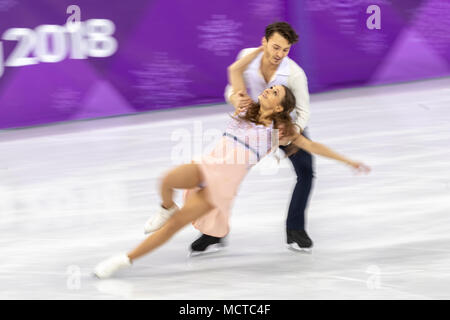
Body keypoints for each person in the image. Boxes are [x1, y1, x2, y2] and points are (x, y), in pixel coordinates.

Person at [94, 47, 369, 279]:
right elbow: (235, 72)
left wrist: (348, 161)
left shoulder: (279, 133)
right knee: (166, 181)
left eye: (274, 93)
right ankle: (166, 207)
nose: (268, 91)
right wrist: (262, 50)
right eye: (271, 88)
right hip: (205, 165)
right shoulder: (244, 105)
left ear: (279, 109)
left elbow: (313, 146)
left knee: (176, 225)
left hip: (219, 188)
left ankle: (123, 259)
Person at [188, 22, 317, 254]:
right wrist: (235, 99)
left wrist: (290, 133)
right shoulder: (247, 58)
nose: (279, 54)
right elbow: (231, 88)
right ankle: (213, 232)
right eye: (276, 47)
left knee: (306, 170)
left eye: (285, 50)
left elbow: (304, 111)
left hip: (284, 125)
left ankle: (296, 229)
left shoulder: (295, 74)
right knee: (225, 177)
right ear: (264, 41)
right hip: (252, 125)